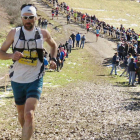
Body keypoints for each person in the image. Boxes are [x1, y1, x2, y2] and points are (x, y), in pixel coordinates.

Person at [0, 4, 57, 140]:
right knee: (21, 114)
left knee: (29, 114)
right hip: (17, 79)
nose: (28, 20)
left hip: (35, 78)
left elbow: (53, 45)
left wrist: (53, 59)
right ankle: (26, 130)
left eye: (31, 17)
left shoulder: (43, 33)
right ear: (21, 18)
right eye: (25, 17)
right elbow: (1, 52)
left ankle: (27, 133)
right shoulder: (14, 33)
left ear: (36, 18)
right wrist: (10, 56)